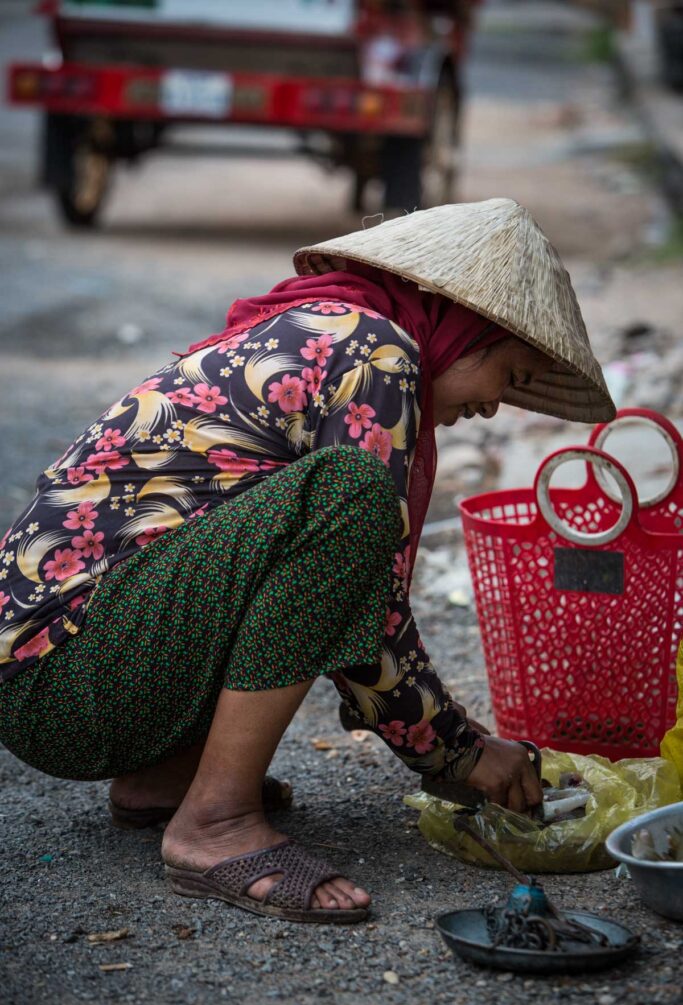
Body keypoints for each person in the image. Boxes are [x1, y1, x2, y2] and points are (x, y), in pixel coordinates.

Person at [0, 199, 615, 923]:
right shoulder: (374, 348)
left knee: (316, 513)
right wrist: (459, 753)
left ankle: (163, 781)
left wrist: (457, 742)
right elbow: (367, 595)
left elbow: (323, 589)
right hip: (66, 686)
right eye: (507, 376)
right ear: (465, 332)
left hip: (62, 677)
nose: (492, 407)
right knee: (346, 498)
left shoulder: (333, 332)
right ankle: (216, 826)